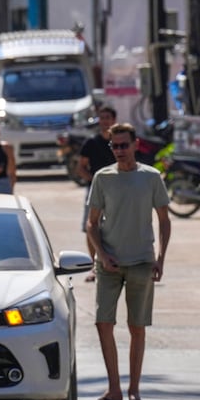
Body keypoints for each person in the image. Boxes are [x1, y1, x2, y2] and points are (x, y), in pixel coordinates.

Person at [84, 123, 171, 400]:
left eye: (124, 145)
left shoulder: (151, 177)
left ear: (135, 145)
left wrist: (161, 258)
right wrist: (102, 255)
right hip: (109, 264)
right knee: (103, 323)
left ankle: (134, 391)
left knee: (137, 327)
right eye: (115, 146)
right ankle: (114, 389)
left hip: (141, 262)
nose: (119, 151)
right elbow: (91, 224)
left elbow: (164, 220)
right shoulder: (103, 178)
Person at [79, 105, 118, 282]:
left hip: (118, 190)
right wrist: (93, 181)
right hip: (95, 191)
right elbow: (80, 167)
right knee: (91, 226)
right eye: (102, 118)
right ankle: (95, 267)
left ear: (114, 120)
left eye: (108, 118)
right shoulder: (91, 143)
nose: (105, 121)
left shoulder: (120, 143)